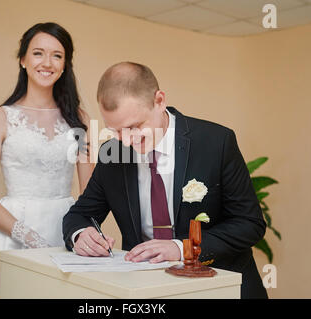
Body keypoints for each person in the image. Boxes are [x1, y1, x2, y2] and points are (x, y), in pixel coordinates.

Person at [62, 62, 268, 299]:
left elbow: (249, 223)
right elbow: (79, 215)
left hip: (220, 286)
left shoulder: (216, 142)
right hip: (148, 293)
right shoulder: (113, 154)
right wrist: (81, 235)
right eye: (116, 131)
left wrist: (182, 248)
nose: (126, 141)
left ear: (159, 101)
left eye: (135, 127)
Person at [0, 22, 94, 299]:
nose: (47, 62)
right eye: (38, 53)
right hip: (11, 232)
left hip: (64, 229)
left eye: (57, 55)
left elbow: (91, 192)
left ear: (66, 64)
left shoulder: (80, 119)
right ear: (23, 59)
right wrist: (29, 237)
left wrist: (86, 233)